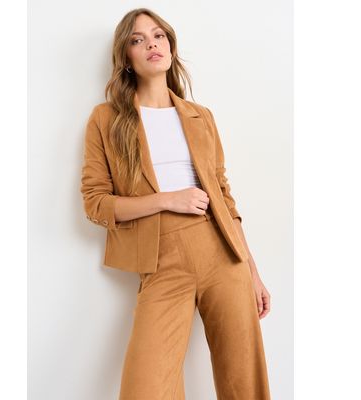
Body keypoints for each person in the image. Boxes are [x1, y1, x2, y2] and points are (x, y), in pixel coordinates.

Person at [80, 7, 271, 400]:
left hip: (223, 254)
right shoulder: (107, 119)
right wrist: (168, 199)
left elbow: (224, 197)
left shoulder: (201, 116)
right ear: (126, 57)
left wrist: (252, 271)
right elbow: (96, 204)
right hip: (161, 260)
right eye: (137, 39)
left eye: (158, 35)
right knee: (146, 388)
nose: (151, 44)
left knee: (244, 382)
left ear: (170, 46)